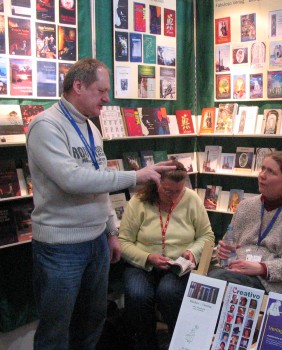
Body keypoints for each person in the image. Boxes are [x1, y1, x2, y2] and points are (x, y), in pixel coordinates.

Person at [26, 58, 175, 350]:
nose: (107, 98)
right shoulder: (45, 125)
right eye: (101, 90)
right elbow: (73, 179)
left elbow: (100, 180)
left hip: (95, 242)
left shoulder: (91, 128)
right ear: (78, 86)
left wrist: (109, 230)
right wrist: (136, 175)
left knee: (92, 321)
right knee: (55, 330)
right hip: (61, 248)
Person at [118, 161, 215, 349]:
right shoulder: (138, 201)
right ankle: (146, 344)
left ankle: (180, 342)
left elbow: (207, 236)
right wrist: (148, 258)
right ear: (155, 183)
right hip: (142, 264)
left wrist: (193, 252)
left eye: (179, 191)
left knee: (169, 292)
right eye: (168, 191)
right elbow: (123, 242)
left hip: (177, 266)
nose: (174, 197)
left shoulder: (191, 199)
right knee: (137, 295)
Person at [208, 152, 282, 297]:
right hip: (236, 274)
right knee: (203, 281)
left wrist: (261, 268)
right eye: (262, 169)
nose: (262, 175)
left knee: (217, 282)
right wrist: (224, 252)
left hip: (273, 286)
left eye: (271, 172)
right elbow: (229, 244)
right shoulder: (246, 205)